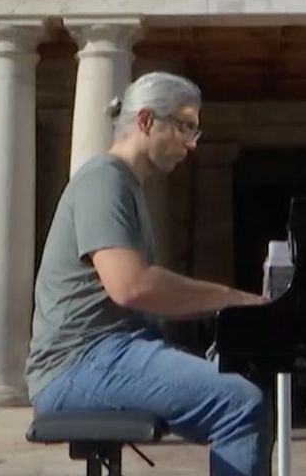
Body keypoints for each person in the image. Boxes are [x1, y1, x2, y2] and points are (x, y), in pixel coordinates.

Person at [28, 73, 269, 476]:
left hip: (113, 351)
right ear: (144, 121)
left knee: (241, 386)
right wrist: (235, 299)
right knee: (241, 403)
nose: (191, 144)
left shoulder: (127, 186)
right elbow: (132, 286)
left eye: (195, 130)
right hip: (78, 363)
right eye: (184, 127)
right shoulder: (103, 180)